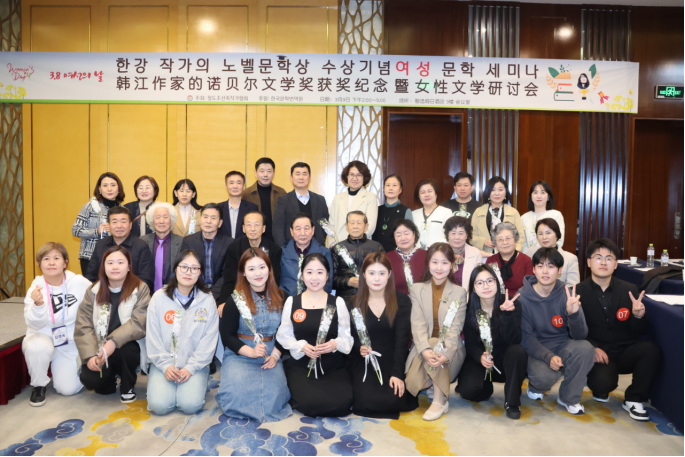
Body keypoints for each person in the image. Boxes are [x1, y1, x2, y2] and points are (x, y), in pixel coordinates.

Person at [579, 239, 661, 421]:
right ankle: (600, 386)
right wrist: (592, 348)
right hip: (599, 353)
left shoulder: (629, 290)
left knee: (651, 350)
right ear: (589, 262)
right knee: (602, 385)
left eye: (609, 259)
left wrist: (639, 316)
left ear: (616, 264)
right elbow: (574, 331)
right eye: (598, 258)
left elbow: (641, 330)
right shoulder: (578, 292)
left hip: (625, 350)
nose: (603, 262)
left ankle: (633, 398)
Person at [217, 248, 292, 422]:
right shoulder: (235, 299)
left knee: (275, 397)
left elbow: (287, 332)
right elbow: (227, 335)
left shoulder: (283, 297)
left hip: (272, 353)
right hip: (241, 353)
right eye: (251, 269)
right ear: (243, 273)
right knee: (235, 396)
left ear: (269, 269)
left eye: (262, 267)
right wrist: (250, 352)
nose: (258, 273)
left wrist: (276, 355)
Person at [518, 248, 595, 415]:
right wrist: (548, 356)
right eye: (540, 266)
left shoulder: (567, 294)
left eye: (551, 266)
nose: (545, 271)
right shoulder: (522, 297)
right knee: (544, 378)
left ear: (560, 271)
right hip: (536, 349)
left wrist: (573, 314)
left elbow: (580, 336)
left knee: (586, 348)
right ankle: (536, 386)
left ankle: (569, 398)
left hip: (562, 345)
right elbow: (526, 338)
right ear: (534, 269)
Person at [276, 253, 353, 417]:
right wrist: (301, 346)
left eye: (320, 272)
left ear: (327, 275)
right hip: (301, 365)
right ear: (302, 275)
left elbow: (347, 337)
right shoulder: (292, 302)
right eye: (309, 272)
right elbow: (283, 335)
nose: (314, 278)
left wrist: (335, 344)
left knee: (342, 403)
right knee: (309, 403)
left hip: (332, 365)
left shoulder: (337, 302)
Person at [145, 250, 219, 415]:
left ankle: (198, 381)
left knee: (189, 405)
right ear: (176, 269)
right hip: (163, 364)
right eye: (184, 267)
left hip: (194, 366)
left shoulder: (207, 300)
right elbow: (152, 337)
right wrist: (165, 366)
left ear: (200, 272)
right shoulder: (159, 298)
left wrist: (191, 367)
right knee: (159, 406)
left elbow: (209, 340)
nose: (188, 272)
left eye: (194, 268)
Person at [75, 246, 151, 403]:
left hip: (128, 343)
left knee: (126, 352)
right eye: (110, 263)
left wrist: (113, 342)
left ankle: (127, 386)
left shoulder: (140, 288)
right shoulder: (94, 290)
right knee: (91, 380)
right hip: (99, 344)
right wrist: (90, 355)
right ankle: (111, 379)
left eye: (120, 262)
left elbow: (139, 323)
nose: (115, 267)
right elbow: (83, 324)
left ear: (129, 266)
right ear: (103, 266)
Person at [348, 251, 419, 419]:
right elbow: (350, 337)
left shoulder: (402, 301)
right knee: (365, 400)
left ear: (389, 274)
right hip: (364, 361)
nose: (377, 278)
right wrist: (359, 348)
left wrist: (397, 373)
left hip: (392, 358)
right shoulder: (353, 302)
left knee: (394, 399)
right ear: (363, 275)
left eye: (381, 273)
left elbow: (402, 341)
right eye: (371, 273)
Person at [23, 242, 92, 407]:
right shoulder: (36, 288)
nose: (51, 263)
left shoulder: (79, 282)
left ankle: (68, 366)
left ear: (65, 263)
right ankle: (38, 385)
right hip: (42, 336)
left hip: (69, 341)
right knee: (36, 347)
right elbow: (33, 323)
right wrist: (38, 305)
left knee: (68, 389)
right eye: (46, 259)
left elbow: (99, 299)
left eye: (56, 258)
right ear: (39, 264)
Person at [405, 243, 467, 421]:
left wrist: (445, 354)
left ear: (451, 265)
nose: (439, 268)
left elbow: (455, 329)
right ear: (428, 263)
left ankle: (439, 400)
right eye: (435, 262)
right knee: (411, 385)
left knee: (436, 343)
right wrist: (425, 350)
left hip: (450, 352)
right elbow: (417, 324)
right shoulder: (417, 289)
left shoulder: (459, 292)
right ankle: (433, 382)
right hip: (423, 349)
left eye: (445, 263)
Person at [457, 265, 527, 420]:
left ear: (497, 282)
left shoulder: (511, 303)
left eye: (490, 281)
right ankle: (485, 386)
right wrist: (479, 356)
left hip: (504, 360)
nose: (486, 286)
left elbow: (515, 340)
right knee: (468, 391)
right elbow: (470, 344)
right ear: (474, 288)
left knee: (518, 351)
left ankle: (512, 402)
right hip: (481, 359)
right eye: (480, 283)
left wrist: (507, 315)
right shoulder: (469, 309)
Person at [85, 206, 155, 291]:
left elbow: (146, 278)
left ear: (130, 225)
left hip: (132, 294)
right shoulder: (100, 244)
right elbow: (90, 275)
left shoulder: (141, 246)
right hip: (103, 293)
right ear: (109, 225)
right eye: (114, 222)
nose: (119, 226)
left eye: (123, 222)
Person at [218, 211, 282, 304]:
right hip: (240, 295)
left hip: (266, 295)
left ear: (263, 228)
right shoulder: (234, 248)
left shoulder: (274, 249)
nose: (252, 229)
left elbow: (274, 279)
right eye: (248, 225)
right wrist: (224, 301)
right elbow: (230, 278)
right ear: (243, 228)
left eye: (257, 225)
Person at [73, 172, 124, 274]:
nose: (109, 189)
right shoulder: (90, 206)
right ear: (99, 189)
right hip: (90, 257)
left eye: (113, 185)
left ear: (118, 188)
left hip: (115, 259)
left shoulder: (123, 210)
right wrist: (97, 231)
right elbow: (75, 230)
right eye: (105, 185)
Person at [180, 203, 233, 300]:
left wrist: (212, 295)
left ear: (220, 223)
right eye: (205, 217)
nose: (208, 221)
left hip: (220, 294)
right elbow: (184, 269)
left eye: (213, 218)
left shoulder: (229, 243)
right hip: (194, 292)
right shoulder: (188, 241)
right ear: (200, 219)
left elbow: (228, 273)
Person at [332, 211, 384, 306]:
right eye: (352, 223)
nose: (355, 226)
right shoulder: (337, 248)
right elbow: (331, 279)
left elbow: (384, 274)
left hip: (371, 297)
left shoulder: (377, 247)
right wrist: (348, 282)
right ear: (347, 226)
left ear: (366, 226)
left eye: (359, 223)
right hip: (345, 299)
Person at [273, 162, 330, 248]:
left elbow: (325, 225)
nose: (301, 177)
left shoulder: (320, 200)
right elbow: (278, 229)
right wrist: (284, 249)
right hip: (291, 249)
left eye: (304, 174)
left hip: (316, 249)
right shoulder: (283, 201)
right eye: (297, 174)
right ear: (291, 178)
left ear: (309, 178)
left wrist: (320, 242)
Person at [280, 213, 333, 296]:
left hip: (315, 298)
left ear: (313, 230)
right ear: (291, 231)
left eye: (306, 228)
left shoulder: (324, 252)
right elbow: (277, 283)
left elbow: (328, 283)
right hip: (287, 299)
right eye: (298, 229)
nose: (302, 233)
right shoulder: (282, 252)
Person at [471, 176, 525, 254]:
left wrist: (513, 253)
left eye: (500, 190)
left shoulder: (513, 212)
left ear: (506, 192)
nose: (497, 193)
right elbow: (471, 235)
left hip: (508, 256)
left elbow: (520, 238)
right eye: (493, 190)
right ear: (488, 192)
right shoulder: (478, 212)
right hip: (484, 255)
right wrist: (483, 241)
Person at [330, 161, 378, 241]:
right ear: (347, 176)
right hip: (338, 245)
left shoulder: (370, 197)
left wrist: (353, 242)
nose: (355, 178)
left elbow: (370, 226)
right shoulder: (337, 198)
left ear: (364, 177)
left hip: (360, 244)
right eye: (352, 174)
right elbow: (331, 225)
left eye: (359, 175)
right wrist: (333, 244)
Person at [141, 202, 183, 293]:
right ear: (152, 221)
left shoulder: (182, 242)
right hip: (147, 292)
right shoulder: (142, 241)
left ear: (171, 220)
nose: (161, 221)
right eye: (157, 217)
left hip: (174, 291)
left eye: (165, 217)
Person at [243, 158, 287, 243]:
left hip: (276, 241)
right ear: (255, 173)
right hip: (253, 241)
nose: (265, 175)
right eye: (262, 171)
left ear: (274, 173)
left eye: (269, 171)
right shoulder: (246, 194)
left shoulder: (281, 193)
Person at [525, 218, 579, 287]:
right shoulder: (530, 252)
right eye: (540, 234)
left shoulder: (570, 258)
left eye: (548, 233)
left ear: (557, 234)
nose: (544, 237)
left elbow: (572, 286)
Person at [485, 222, 533, 293]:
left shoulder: (526, 260)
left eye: (508, 238)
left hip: (521, 298)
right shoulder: (491, 260)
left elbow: (529, 287)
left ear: (515, 239)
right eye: (500, 239)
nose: (505, 242)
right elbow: (487, 285)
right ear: (495, 242)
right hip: (497, 298)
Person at [521, 180, 566, 252]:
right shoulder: (524, 218)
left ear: (548, 197)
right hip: (529, 257)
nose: (539, 196)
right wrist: (528, 255)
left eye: (542, 192)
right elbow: (523, 243)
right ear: (531, 196)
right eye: (535, 192)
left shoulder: (556, 215)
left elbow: (559, 240)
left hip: (551, 256)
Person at [372, 174, 413, 252]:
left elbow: (409, 235)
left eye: (394, 185)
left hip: (397, 253)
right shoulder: (376, 209)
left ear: (400, 190)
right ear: (384, 189)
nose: (390, 188)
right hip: (377, 253)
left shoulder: (405, 210)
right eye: (388, 185)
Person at [386, 219, 426, 295]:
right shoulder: (388, 258)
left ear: (414, 234)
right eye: (398, 235)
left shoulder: (426, 255)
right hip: (397, 300)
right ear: (394, 238)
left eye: (406, 233)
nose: (403, 238)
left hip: (423, 299)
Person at [411, 179, 453, 250]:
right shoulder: (413, 214)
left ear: (436, 194)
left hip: (439, 252)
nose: (426, 195)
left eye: (429, 191)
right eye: (422, 192)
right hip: (417, 252)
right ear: (419, 196)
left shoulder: (446, 212)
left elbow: (449, 235)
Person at [444, 216, 482, 290]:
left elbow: (479, 279)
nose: (457, 237)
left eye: (461, 233)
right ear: (447, 235)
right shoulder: (441, 253)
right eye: (453, 233)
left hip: (467, 294)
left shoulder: (475, 253)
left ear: (467, 235)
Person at [219, 171, 258, 240]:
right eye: (231, 183)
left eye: (239, 183)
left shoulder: (252, 207)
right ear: (226, 186)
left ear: (243, 186)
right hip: (223, 246)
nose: (235, 186)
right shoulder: (219, 208)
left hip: (245, 246)